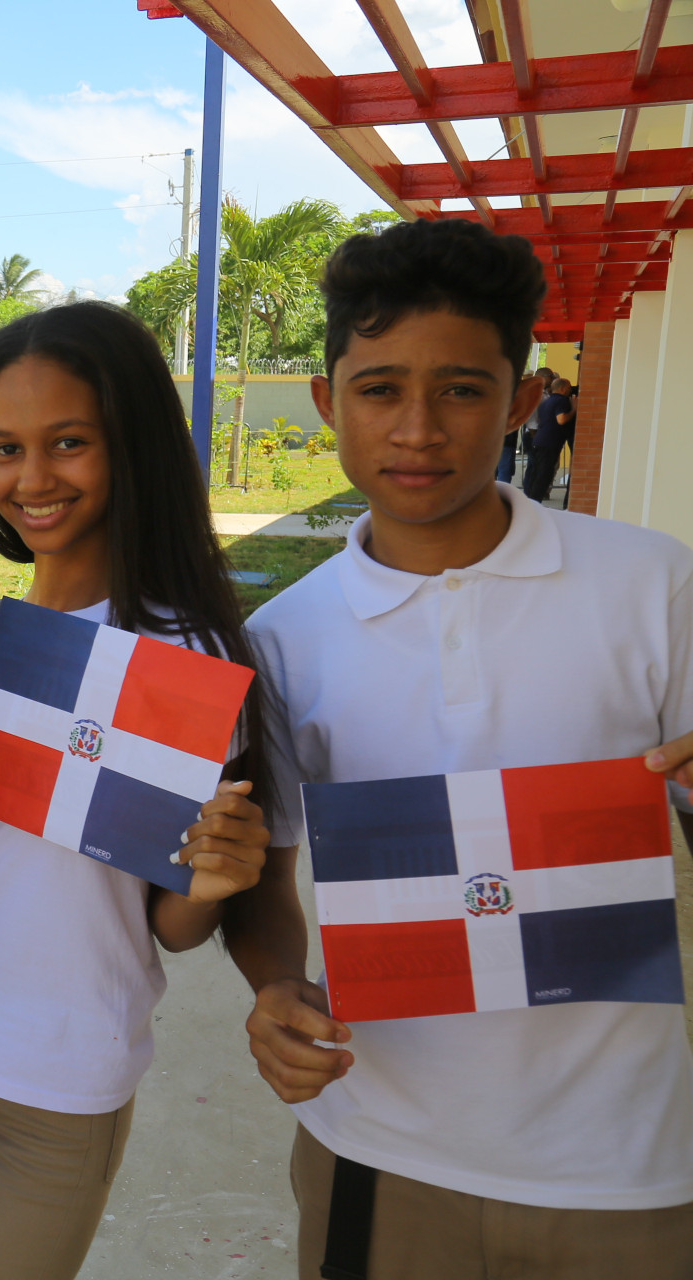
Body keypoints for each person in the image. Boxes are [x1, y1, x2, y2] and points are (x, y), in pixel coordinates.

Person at [227, 218, 693, 1280]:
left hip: (624, 1165)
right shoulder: (283, 639)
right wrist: (275, 983)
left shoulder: (654, 586)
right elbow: (265, 866)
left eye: (463, 389)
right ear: (327, 401)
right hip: (379, 1150)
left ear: (523, 401)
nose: (418, 429)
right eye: (380, 388)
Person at [0, 302, 275, 1280]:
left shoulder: (186, 658)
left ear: (131, 445)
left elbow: (171, 925)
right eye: (4, 448)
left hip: (57, 1079)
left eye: (68, 442)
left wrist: (215, 881)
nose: (31, 478)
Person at [521, 374, 574, 503]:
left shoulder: (547, 401)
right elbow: (561, 419)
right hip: (550, 443)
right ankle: (535, 503)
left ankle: (530, 500)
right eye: (568, 388)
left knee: (536, 473)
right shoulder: (562, 400)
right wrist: (574, 409)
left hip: (539, 440)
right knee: (544, 475)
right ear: (562, 389)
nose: (570, 390)